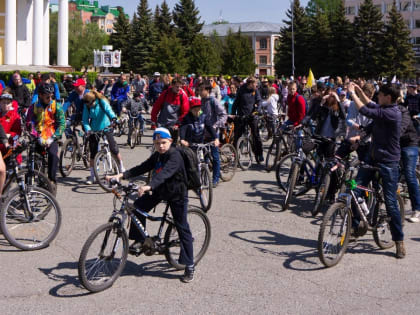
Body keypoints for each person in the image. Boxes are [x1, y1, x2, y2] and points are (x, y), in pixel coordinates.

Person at [106, 127, 195, 283]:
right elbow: (142, 167)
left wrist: (149, 186)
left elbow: (165, 173)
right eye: (157, 143)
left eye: (163, 143)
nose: (160, 146)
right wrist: (121, 175)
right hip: (160, 190)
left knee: (182, 227)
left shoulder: (175, 156)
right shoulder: (157, 156)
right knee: (137, 206)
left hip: (177, 194)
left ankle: (190, 265)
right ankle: (141, 240)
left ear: (170, 142)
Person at [348, 82, 405, 258]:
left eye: (380, 95)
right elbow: (371, 105)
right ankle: (357, 226)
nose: (376, 97)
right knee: (356, 189)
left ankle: (398, 241)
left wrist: (352, 94)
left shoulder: (392, 113)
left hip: (388, 162)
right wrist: (358, 90)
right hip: (372, 157)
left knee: (390, 202)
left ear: (388, 98)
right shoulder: (383, 107)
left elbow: (367, 110)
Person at [82, 90, 125, 185]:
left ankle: (121, 167)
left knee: (113, 148)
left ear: (93, 100)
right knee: (93, 153)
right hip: (94, 129)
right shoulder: (86, 105)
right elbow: (85, 120)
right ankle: (92, 176)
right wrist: (88, 129)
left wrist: (114, 118)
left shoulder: (101, 102)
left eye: (89, 104)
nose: (88, 106)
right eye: (87, 105)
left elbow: (109, 110)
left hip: (106, 126)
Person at [26, 84, 65, 186]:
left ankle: (52, 180)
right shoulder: (33, 107)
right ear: (40, 95)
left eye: (52, 96)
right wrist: (36, 136)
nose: (50, 99)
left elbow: (62, 123)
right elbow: (29, 123)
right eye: (48, 97)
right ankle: (30, 182)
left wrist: (53, 138)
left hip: (51, 136)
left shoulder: (56, 106)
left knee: (53, 155)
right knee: (32, 158)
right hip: (38, 136)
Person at [198, 84, 227, 187]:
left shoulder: (213, 100)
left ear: (208, 90)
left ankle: (215, 179)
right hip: (203, 133)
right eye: (199, 90)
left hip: (213, 133)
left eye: (202, 90)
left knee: (215, 157)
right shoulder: (200, 101)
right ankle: (205, 178)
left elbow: (223, 114)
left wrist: (215, 126)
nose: (200, 92)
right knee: (204, 157)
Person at [232, 77, 264, 163]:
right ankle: (235, 154)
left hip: (252, 115)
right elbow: (236, 103)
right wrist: (233, 114)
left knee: (256, 134)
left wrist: (258, 110)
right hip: (242, 115)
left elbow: (259, 101)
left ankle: (259, 153)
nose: (256, 85)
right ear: (250, 84)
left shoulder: (256, 91)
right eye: (254, 84)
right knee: (237, 135)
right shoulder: (241, 90)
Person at [398, 104, 420, 223]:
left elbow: (401, 129)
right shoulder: (383, 111)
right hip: (396, 144)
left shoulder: (402, 112)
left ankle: (417, 209)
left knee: (409, 174)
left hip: (409, 144)